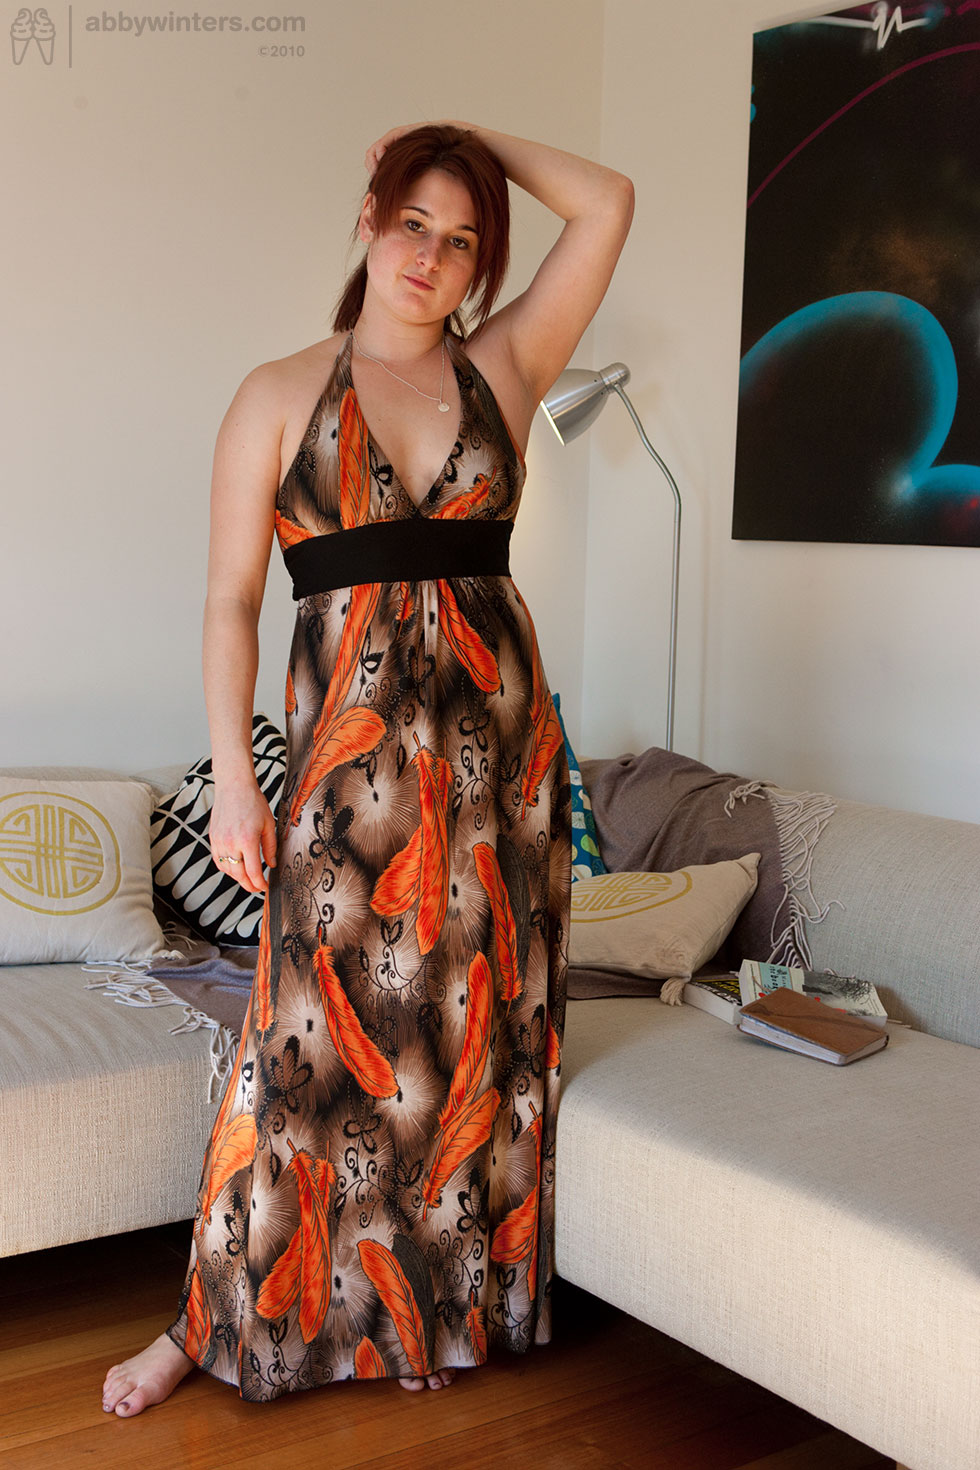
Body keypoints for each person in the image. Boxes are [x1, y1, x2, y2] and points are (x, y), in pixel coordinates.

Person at [102, 120, 633, 1416]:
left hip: (498, 776)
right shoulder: (278, 393)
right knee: (293, 1062)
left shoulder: (507, 366)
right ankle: (201, 1323)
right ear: (369, 218)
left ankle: (422, 1318)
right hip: (344, 786)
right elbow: (230, 599)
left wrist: (469, 137)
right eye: (413, 222)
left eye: (462, 240)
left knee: (466, 1047)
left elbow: (610, 201)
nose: (431, 257)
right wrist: (236, 779)